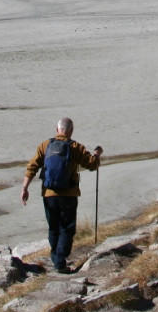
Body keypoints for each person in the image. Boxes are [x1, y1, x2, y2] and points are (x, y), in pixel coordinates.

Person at [21, 117, 102, 273]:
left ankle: (56, 257)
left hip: (48, 194)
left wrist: (25, 187)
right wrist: (97, 154)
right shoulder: (76, 147)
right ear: (71, 131)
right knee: (66, 228)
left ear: (56, 129)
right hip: (68, 195)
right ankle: (59, 261)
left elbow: (32, 166)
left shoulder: (45, 145)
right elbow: (92, 165)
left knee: (54, 227)